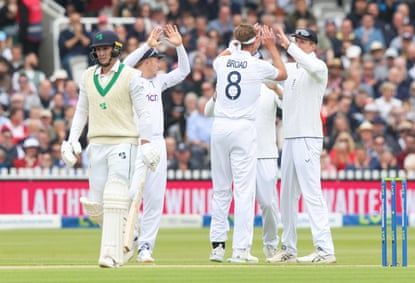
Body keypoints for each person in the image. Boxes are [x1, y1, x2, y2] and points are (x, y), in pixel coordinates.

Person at [60, 30, 160, 268]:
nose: (102, 53)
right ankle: (128, 234)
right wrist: (72, 140)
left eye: (106, 48)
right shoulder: (87, 76)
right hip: (96, 144)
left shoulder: (131, 76)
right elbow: (81, 110)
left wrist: (146, 144)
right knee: (96, 206)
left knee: (115, 196)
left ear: (115, 49)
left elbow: (144, 113)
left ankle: (111, 255)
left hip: (123, 142)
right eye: (98, 49)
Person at [208, 23, 287, 264]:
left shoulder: (222, 62)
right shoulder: (257, 65)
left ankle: (217, 248)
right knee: (244, 192)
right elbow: (282, 73)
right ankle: (240, 250)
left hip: (219, 127)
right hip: (242, 128)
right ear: (255, 43)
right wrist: (271, 47)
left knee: (221, 189)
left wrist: (239, 42)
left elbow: (222, 55)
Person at [267, 27, 336, 264]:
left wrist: (287, 45)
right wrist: (270, 47)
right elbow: (288, 103)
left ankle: (325, 249)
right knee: (286, 196)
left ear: (313, 46)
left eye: (303, 41)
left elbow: (309, 64)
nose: (298, 43)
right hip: (290, 138)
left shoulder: (318, 67)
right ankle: (289, 248)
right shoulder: (293, 68)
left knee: (312, 192)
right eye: (296, 40)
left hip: (308, 138)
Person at [122, 25, 190, 263]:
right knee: (130, 194)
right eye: (155, 60)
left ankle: (146, 247)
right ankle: (134, 234)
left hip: (158, 143)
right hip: (136, 142)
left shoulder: (158, 82)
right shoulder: (129, 80)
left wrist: (179, 45)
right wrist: (146, 46)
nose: (159, 64)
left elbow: (183, 71)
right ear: (145, 61)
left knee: (154, 197)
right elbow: (121, 67)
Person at [205, 82, 284, 259]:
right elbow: (208, 111)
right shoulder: (234, 86)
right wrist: (216, 96)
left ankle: (270, 243)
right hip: (238, 152)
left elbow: (289, 107)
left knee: (268, 203)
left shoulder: (269, 88)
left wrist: (278, 89)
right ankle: (225, 247)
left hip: (264, 152)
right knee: (230, 194)